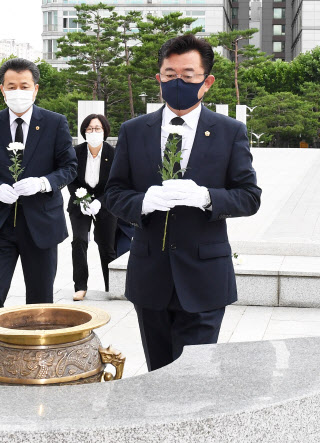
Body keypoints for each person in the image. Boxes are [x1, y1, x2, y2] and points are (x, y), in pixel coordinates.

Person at [104, 34, 261, 372]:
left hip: (204, 278)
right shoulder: (134, 130)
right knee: (158, 375)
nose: (179, 82)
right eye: (170, 74)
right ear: (159, 78)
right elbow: (114, 193)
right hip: (150, 277)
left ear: (206, 82)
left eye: (188, 76)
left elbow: (249, 196)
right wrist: (144, 201)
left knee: (194, 380)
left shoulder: (229, 131)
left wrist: (206, 198)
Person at [0, 57, 77, 317]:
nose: (18, 92)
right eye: (12, 86)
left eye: (24, 85)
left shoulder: (55, 123)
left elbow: (69, 167)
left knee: (40, 297)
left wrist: (43, 183)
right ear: (2, 90)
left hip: (41, 223)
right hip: (1, 223)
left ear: (36, 88)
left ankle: (37, 354)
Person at [67, 114, 117, 300]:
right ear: (84, 132)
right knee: (79, 241)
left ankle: (111, 286)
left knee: (106, 245)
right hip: (80, 203)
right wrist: (83, 200)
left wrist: (99, 202)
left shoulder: (113, 154)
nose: (93, 132)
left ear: (104, 131)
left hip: (105, 204)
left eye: (97, 128)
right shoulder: (76, 152)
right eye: (90, 129)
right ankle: (80, 286)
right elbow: (70, 179)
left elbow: (115, 184)